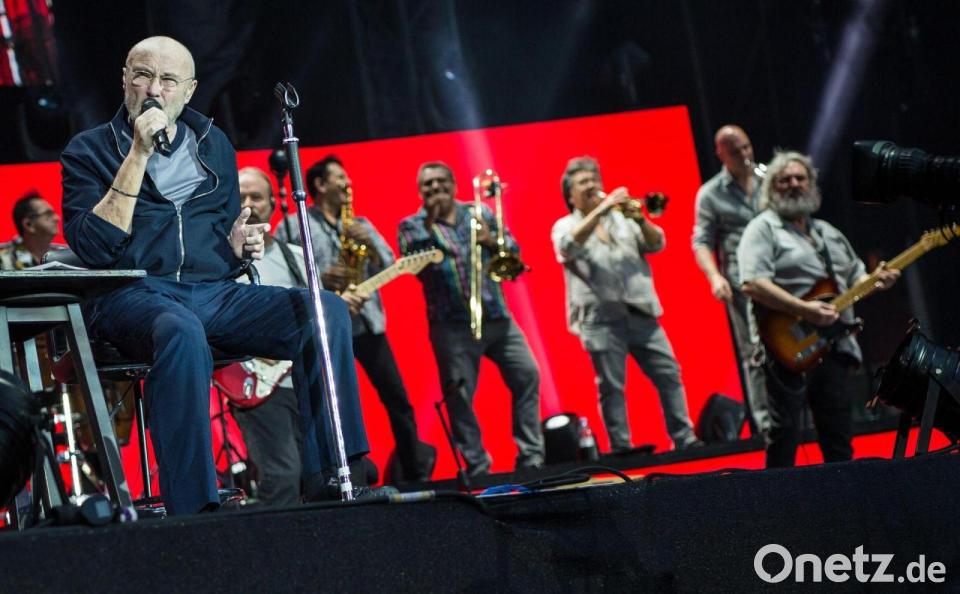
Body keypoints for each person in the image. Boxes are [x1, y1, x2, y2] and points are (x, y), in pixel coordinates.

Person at [60, 36, 369, 514]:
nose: (154, 90)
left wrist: (239, 248)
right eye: (143, 75)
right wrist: (138, 154)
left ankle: (335, 476)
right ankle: (194, 506)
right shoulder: (89, 150)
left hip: (213, 293)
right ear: (124, 81)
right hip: (131, 293)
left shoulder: (214, 143)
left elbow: (219, 242)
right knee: (180, 331)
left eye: (168, 80)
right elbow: (95, 247)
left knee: (323, 311)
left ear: (189, 90)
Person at [277, 155, 435, 482]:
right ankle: (340, 473)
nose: (348, 183)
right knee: (332, 405)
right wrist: (322, 280)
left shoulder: (360, 223)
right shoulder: (295, 225)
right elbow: (284, 274)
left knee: (398, 400)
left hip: (367, 323)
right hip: (325, 327)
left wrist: (370, 245)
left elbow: (390, 263)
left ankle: (414, 474)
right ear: (320, 185)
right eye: (340, 178)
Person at [737, 150, 899, 468]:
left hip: (834, 346)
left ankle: (843, 495)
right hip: (787, 346)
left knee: (838, 433)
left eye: (801, 178)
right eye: (785, 180)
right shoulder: (762, 229)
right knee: (785, 433)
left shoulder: (828, 233)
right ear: (771, 188)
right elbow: (753, 283)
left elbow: (857, 280)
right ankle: (778, 497)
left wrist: (878, 281)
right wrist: (805, 310)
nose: (794, 184)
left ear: (812, 185)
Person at [397, 162, 544, 476]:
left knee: (527, 375)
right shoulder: (412, 225)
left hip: (497, 317)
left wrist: (490, 241)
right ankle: (477, 466)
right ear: (420, 191)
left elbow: (513, 251)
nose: (435, 187)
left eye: (440, 181)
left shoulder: (480, 213)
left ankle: (531, 456)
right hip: (451, 326)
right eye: (428, 184)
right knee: (459, 396)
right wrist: (430, 226)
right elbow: (413, 267)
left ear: (453, 183)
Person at [551, 156, 701, 453]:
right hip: (600, 319)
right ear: (570, 195)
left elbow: (657, 243)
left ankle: (684, 438)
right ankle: (621, 447)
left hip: (640, 310)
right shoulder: (564, 225)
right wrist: (601, 209)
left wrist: (640, 219)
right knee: (611, 386)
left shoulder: (622, 218)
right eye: (583, 182)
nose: (591, 186)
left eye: (594, 180)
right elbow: (567, 247)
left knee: (668, 373)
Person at [692, 125, 770, 435]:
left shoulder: (768, 180)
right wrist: (714, 276)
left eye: (747, 147)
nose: (745, 155)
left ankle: (806, 417)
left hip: (782, 276)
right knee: (755, 353)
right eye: (736, 152)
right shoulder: (711, 194)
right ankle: (766, 426)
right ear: (721, 154)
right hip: (744, 284)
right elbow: (701, 241)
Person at [1, 191, 65, 270]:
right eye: (48, 214)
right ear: (29, 225)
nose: (57, 218)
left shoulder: (65, 255)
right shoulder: (3, 258)